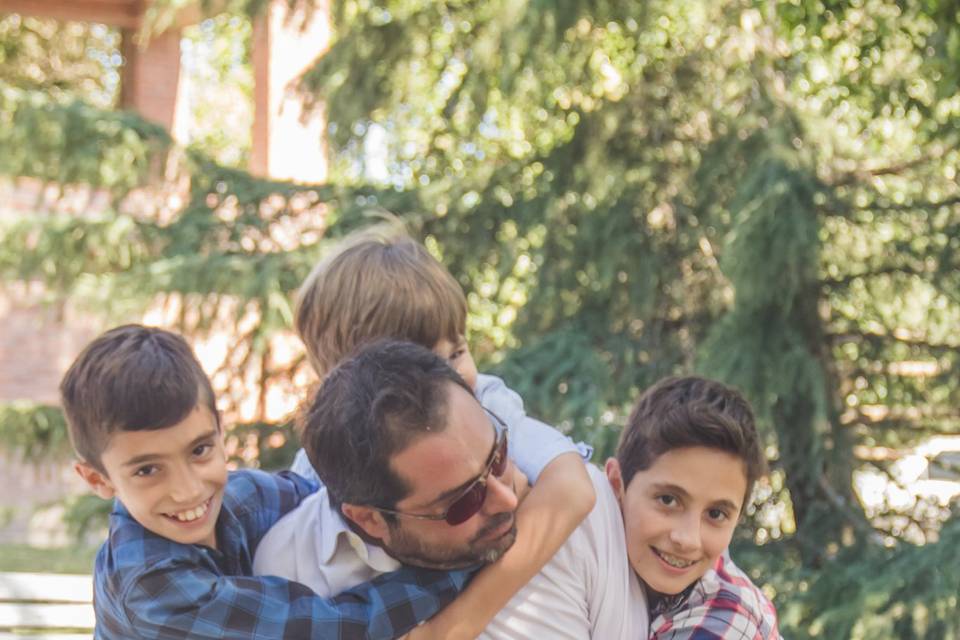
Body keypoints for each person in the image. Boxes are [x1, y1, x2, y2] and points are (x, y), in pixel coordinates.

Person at [258, 223, 602, 637]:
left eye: (457, 352)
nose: (452, 376)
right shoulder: (310, 492)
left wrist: (457, 624)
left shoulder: (481, 406)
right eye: (422, 365)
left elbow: (573, 489)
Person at [62, 324, 471, 640]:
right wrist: (461, 564)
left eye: (200, 450)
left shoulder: (244, 497)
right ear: (98, 479)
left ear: (221, 430)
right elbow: (336, 628)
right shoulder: (151, 590)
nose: (187, 489)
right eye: (147, 470)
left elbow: (335, 503)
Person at [258, 340, 649, 639]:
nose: (508, 498)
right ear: (370, 519)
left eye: (498, 457)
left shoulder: (577, 515)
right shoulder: (289, 577)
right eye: (465, 500)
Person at [604, 376, 782, 639]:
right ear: (617, 485)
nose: (687, 539)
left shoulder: (725, 621)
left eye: (715, 514)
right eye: (668, 500)